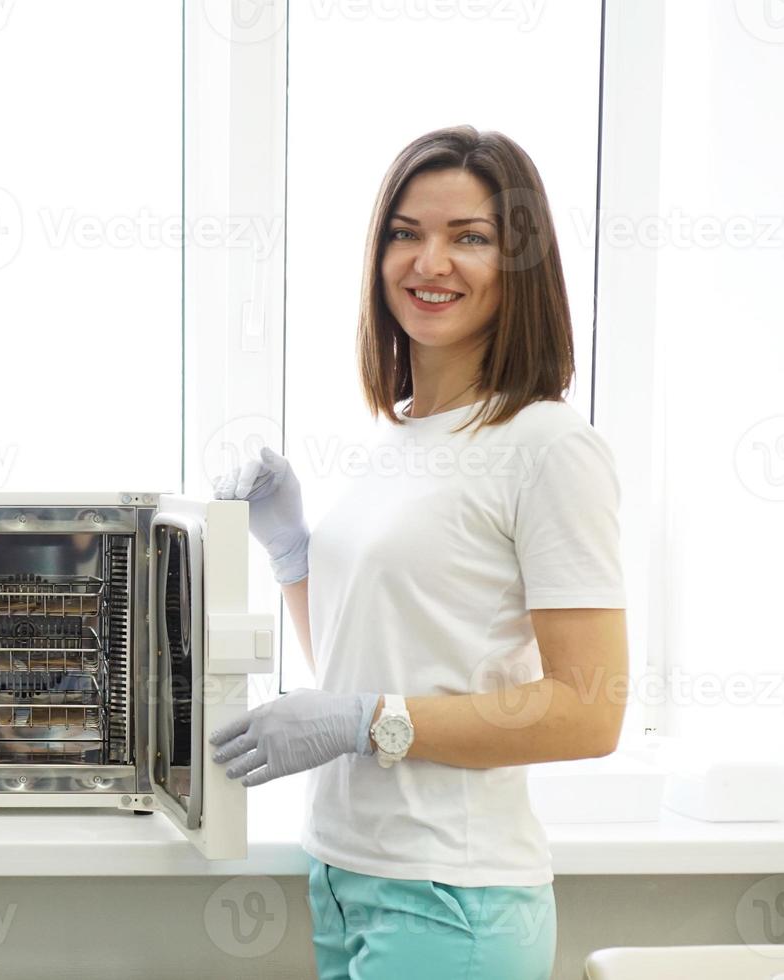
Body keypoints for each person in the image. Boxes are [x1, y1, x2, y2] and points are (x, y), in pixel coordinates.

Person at [209, 125, 628, 980]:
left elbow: (590, 711)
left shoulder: (547, 445)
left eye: (468, 238)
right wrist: (291, 553)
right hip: (342, 870)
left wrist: (360, 721)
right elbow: (366, 658)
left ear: (519, 266)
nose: (428, 261)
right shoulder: (399, 437)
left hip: (451, 892)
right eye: (406, 233)